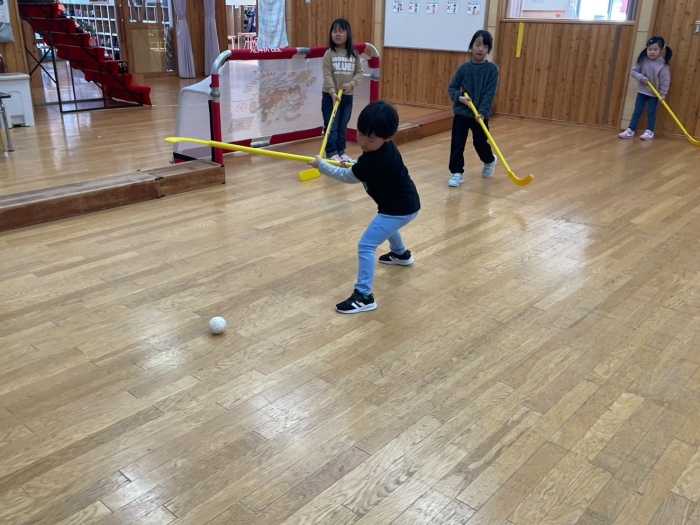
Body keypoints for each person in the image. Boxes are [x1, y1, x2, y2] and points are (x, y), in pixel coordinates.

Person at [309, 101, 421, 314]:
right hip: (403, 205)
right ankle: (401, 254)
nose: (363, 142)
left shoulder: (375, 161)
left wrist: (322, 166)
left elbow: (347, 177)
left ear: (388, 137)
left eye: (370, 139)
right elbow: (362, 166)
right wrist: (354, 164)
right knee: (386, 225)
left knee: (366, 246)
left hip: (398, 208)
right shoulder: (383, 149)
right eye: (360, 135)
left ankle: (364, 296)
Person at [446, 30, 499, 187]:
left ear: (488, 50)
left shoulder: (492, 70)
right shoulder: (464, 68)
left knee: (480, 143)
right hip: (462, 112)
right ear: (471, 46)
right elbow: (452, 87)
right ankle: (457, 172)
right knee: (457, 143)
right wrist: (459, 98)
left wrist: (482, 112)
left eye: (485, 46)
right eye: (477, 44)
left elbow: (489, 93)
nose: (480, 49)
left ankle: (489, 160)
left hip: (480, 115)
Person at [321, 18, 364, 163]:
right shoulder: (329, 54)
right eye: (334, 31)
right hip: (330, 96)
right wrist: (332, 92)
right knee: (331, 126)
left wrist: (351, 84)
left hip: (347, 97)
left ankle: (341, 151)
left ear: (348, 33)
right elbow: (327, 74)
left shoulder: (354, 54)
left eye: (341, 31)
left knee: (342, 125)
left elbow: (359, 72)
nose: (337, 34)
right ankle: (331, 152)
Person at [619, 36, 672, 141]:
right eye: (650, 49)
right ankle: (631, 130)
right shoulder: (643, 60)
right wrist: (642, 78)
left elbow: (665, 81)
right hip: (642, 92)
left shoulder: (663, 65)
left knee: (651, 113)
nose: (652, 52)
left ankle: (650, 131)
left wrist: (663, 94)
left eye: (655, 49)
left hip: (655, 94)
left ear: (661, 50)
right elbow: (633, 71)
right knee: (637, 111)